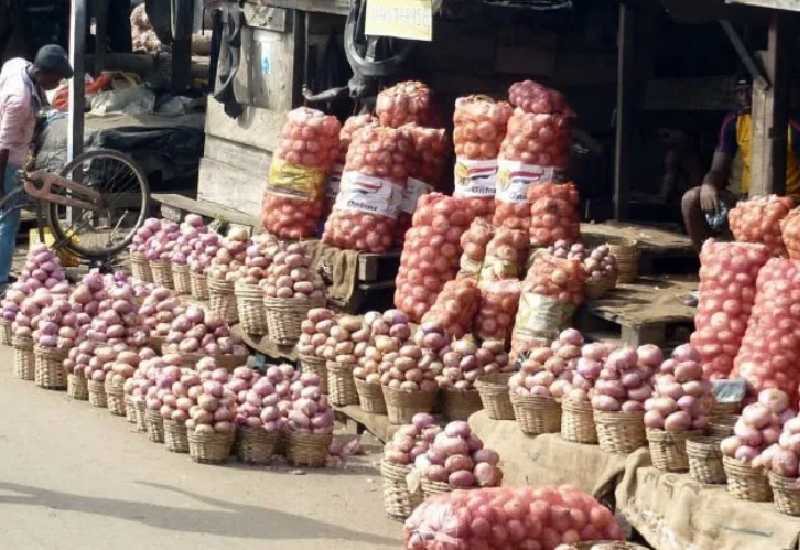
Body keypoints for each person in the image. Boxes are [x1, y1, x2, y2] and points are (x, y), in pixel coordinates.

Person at [681, 76, 800, 249]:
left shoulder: (791, 126)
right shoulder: (734, 121)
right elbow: (718, 168)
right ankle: (707, 260)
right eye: (739, 93)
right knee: (691, 199)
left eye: (749, 91)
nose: (743, 97)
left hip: (788, 202)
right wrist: (708, 184)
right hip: (745, 199)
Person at [0, 44, 73, 290]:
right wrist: (2, 183)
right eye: (58, 77)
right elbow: (4, 145)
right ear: (45, 72)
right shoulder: (20, 100)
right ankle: (0, 279)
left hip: (13, 149)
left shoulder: (17, 64)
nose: (59, 81)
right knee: (8, 218)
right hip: (6, 160)